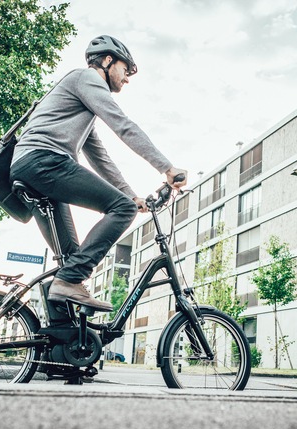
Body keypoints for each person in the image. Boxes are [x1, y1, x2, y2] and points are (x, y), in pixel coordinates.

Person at [10, 35, 187, 313]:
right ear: (107, 61)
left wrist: (130, 194)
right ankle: (69, 282)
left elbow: (99, 156)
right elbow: (123, 126)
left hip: (31, 166)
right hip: (44, 161)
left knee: (71, 261)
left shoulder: (80, 104)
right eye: (125, 70)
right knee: (122, 210)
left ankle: (60, 345)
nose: (127, 78)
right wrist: (167, 168)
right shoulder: (87, 78)